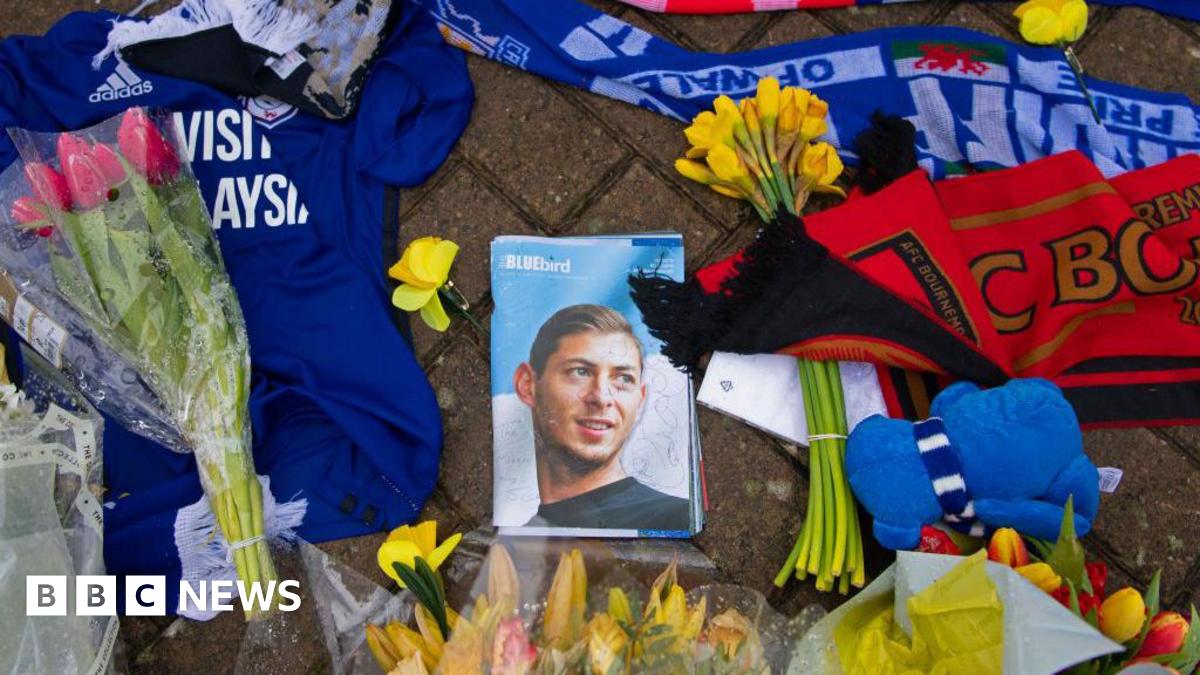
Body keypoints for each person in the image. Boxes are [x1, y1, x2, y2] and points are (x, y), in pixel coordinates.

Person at [513, 304, 690, 530]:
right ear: (527, 385)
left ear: (640, 401)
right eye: (580, 371)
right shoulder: (515, 539)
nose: (601, 398)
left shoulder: (678, 519)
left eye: (624, 379)